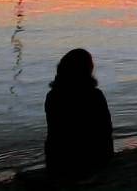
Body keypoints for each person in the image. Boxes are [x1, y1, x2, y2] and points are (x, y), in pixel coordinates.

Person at [45, 49, 113, 181]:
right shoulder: (95, 96)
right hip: (93, 159)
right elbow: (106, 129)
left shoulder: (52, 96)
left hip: (57, 161)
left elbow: (54, 131)